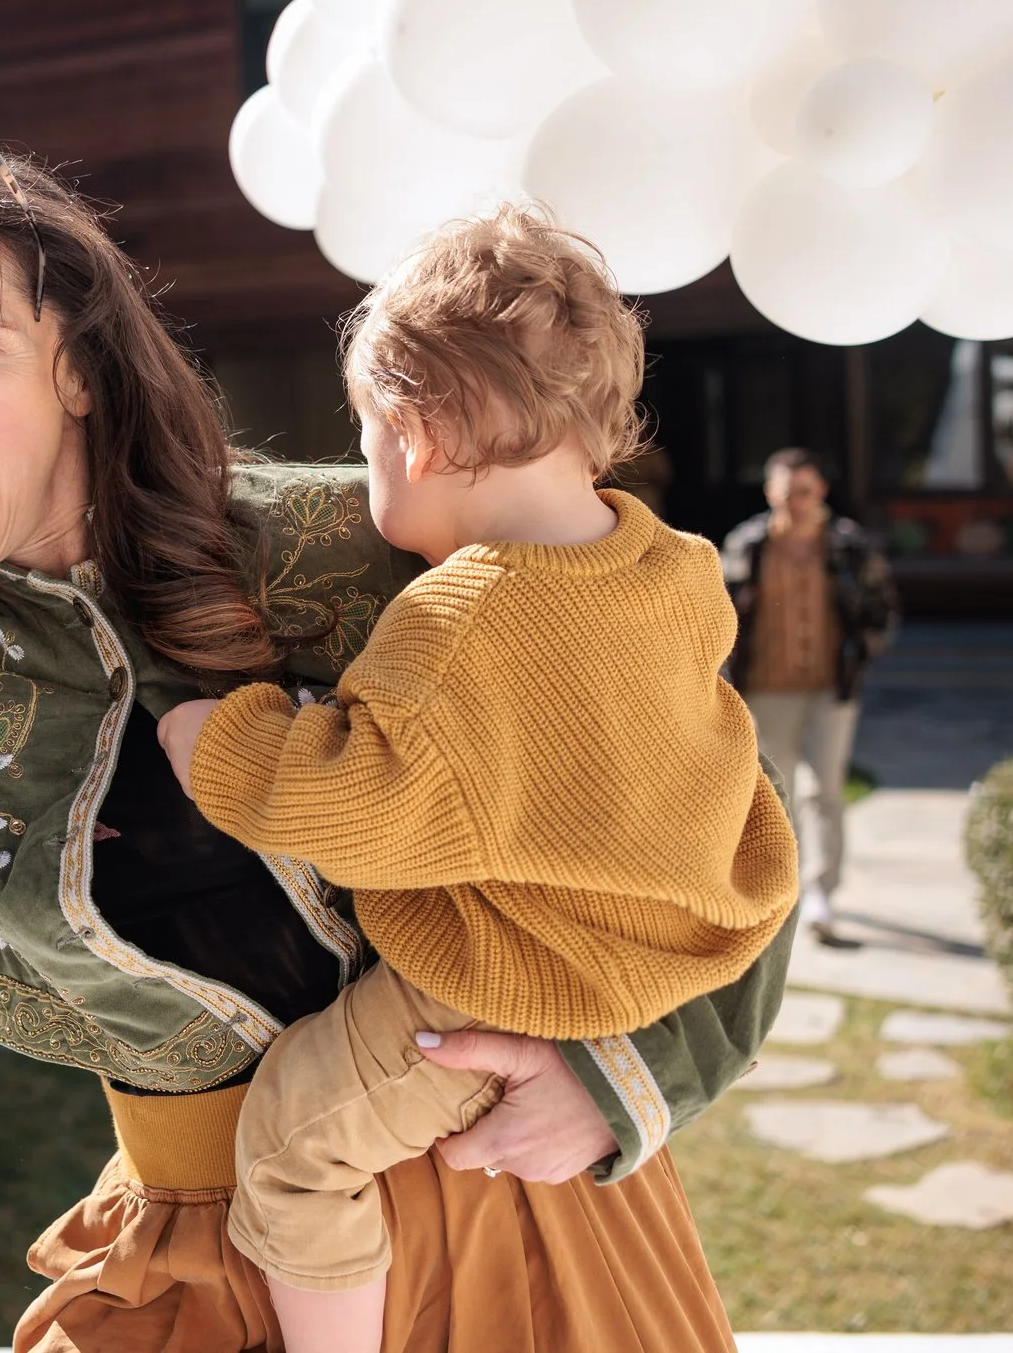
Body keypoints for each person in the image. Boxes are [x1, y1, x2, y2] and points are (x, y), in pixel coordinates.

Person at [0, 125, 795, 1353]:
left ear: (75, 366)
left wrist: (639, 1072)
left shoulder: (361, 550)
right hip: (186, 1250)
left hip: (521, 1212)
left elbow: (699, 798)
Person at [154, 211, 796, 1353]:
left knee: (296, 1145)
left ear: (418, 433)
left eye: (361, 439)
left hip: (511, 978)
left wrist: (219, 737)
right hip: (660, 957)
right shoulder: (673, 567)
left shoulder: (454, 618)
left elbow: (358, 812)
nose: (363, 469)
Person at [721, 447, 899, 950]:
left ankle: (823, 894)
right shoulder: (747, 545)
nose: (795, 502)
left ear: (819, 491)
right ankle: (782, 891)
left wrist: (863, 653)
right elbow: (720, 611)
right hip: (766, 689)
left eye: (804, 492)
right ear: (769, 493)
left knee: (826, 789)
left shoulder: (846, 545)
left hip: (830, 687)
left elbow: (881, 606)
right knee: (776, 796)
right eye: (785, 493)